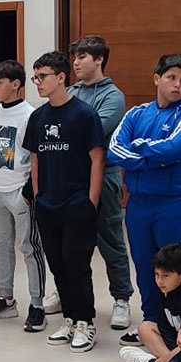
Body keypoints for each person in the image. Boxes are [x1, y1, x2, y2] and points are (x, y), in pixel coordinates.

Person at [108, 53, 181, 346]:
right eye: (172, 78)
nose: (178, 85)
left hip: (173, 203)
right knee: (146, 265)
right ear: (157, 79)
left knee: (178, 268)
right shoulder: (136, 113)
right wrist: (152, 155)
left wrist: (137, 151)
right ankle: (153, 322)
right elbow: (114, 149)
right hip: (138, 204)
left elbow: (174, 149)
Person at [45, 36, 133, 336]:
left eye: (83, 56)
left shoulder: (113, 96)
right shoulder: (70, 90)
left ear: (99, 60)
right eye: (75, 57)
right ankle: (68, 294)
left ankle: (121, 297)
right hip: (68, 178)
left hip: (103, 174)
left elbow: (94, 130)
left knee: (109, 239)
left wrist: (67, 129)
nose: (76, 62)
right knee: (68, 244)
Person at [23, 51, 104, 352]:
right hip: (49, 204)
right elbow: (35, 159)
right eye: (35, 78)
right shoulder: (38, 117)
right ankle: (69, 318)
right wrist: (39, 194)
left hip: (77, 203)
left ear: (61, 77)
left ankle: (86, 321)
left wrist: (91, 202)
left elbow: (97, 159)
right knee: (57, 263)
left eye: (42, 77)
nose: (38, 83)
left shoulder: (84, 114)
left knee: (76, 263)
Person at [0, 60, 47, 332]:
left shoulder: (32, 115)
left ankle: (37, 305)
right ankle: (6, 299)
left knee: (30, 247)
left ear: (16, 84)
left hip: (20, 190)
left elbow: (37, 157)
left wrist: (30, 191)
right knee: (0, 245)